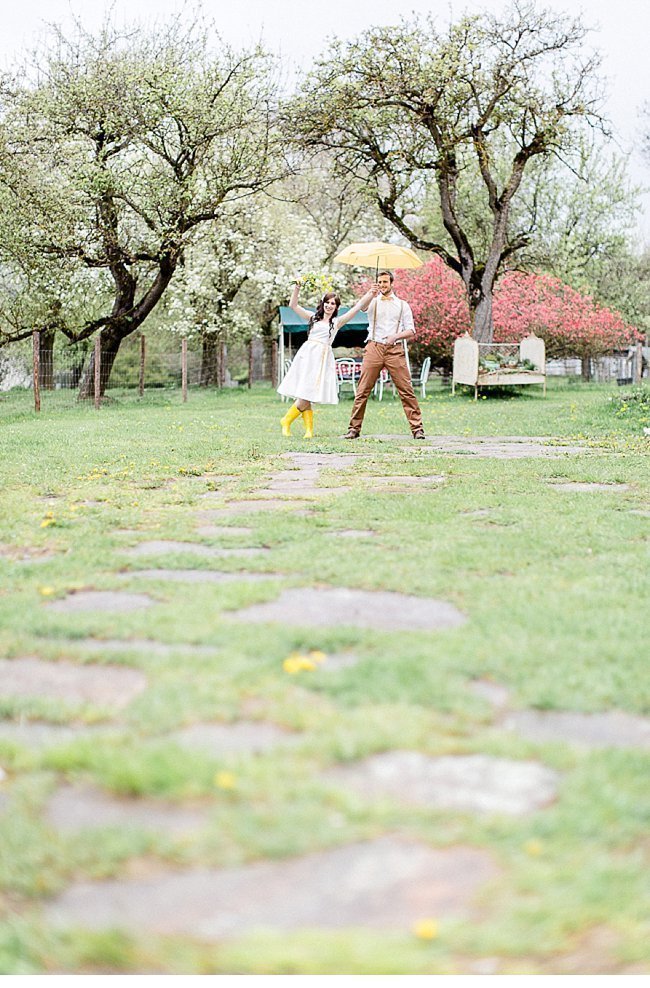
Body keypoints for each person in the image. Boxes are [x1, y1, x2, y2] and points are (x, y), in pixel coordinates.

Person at [278, 281, 377, 438]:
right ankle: (289, 422)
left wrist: (370, 294)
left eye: (333, 304)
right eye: (327, 302)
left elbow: (357, 307)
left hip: (322, 357)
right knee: (306, 392)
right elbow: (293, 305)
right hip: (308, 355)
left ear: (336, 307)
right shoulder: (313, 318)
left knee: (310, 392)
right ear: (322, 304)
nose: (329, 306)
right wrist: (297, 288)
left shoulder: (336, 322)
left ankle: (304, 429)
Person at [343, 270, 425, 439]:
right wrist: (369, 294)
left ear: (391, 283)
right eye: (379, 282)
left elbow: (411, 330)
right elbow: (361, 307)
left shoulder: (402, 305)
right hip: (374, 347)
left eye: (385, 282)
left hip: (394, 349)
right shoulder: (372, 301)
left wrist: (396, 336)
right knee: (363, 389)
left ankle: (417, 429)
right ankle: (354, 429)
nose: (382, 285)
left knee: (406, 389)